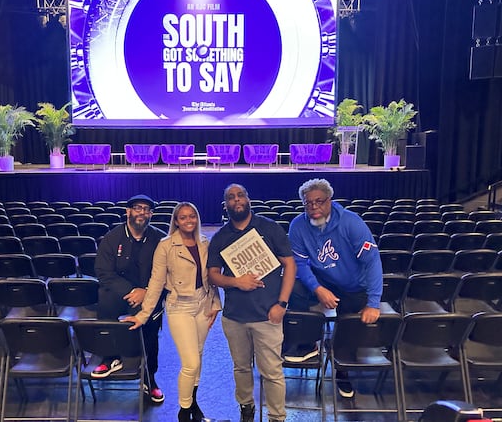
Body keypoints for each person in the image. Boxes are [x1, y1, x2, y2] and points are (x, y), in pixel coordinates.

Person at [122, 202, 221, 422]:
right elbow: (156, 283)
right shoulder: (166, 246)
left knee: (199, 357)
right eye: (183, 217)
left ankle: (195, 407)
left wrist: (215, 304)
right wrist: (143, 314)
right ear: (176, 221)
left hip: (203, 305)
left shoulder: (205, 242)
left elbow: (211, 279)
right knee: (191, 363)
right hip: (179, 307)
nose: (188, 221)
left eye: (192, 217)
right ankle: (184, 412)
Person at [207, 183, 296, 422]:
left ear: (248, 199)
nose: (236, 200)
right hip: (234, 317)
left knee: (272, 372)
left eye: (240, 195)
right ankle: (246, 408)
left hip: (268, 315)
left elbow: (290, 265)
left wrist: (283, 304)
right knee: (241, 368)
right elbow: (213, 275)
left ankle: (277, 417)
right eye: (230, 197)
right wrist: (237, 282)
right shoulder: (220, 238)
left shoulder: (270, 228)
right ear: (225, 205)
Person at [288, 178, 383, 398]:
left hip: (353, 285)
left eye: (319, 201)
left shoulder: (351, 223)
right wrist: (317, 289)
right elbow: (300, 264)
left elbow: (372, 261)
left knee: (348, 328)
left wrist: (373, 303)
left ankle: (342, 372)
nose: (314, 207)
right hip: (323, 281)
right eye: (308, 203)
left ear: (330, 200)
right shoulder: (298, 226)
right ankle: (307, 343)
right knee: (292, 285)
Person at [94, 194, 166, 403]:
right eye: (137, 208)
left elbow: (166, 274)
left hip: (148, 294)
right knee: (105, 301)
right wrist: (131, 291)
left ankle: (149, 377)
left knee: (152, 323)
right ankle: (110, 358)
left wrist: (145, 292)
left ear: (151, 214)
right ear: (128, 211)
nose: (142, 212)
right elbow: (103, 272)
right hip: (119, 293)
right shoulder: (111, 238)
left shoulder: (160, 239)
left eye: (146, 209)